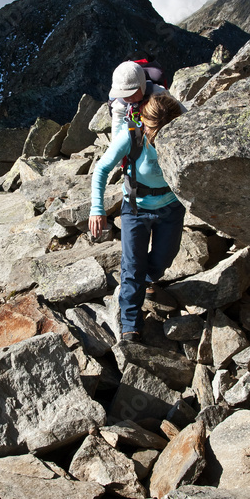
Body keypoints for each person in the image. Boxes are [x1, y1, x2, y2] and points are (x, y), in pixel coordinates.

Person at [89, 92, 185, 342]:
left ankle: (145, 280)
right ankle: (130, 323)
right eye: (154, 131)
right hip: (136, 206)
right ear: (144, 121)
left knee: (165, 257)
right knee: (132, 265)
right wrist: (97, 209)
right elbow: (101, 169)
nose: (157, 137)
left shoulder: (183, 130)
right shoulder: (132, 134)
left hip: (172, 205)